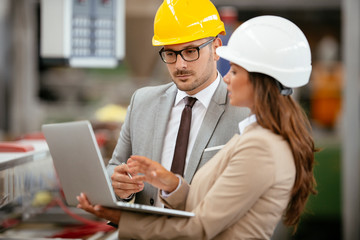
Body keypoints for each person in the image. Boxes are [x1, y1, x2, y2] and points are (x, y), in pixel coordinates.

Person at [78, 15, 317, 239]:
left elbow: (200, 226)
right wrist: (171, 184)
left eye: (234, 71)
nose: (227, 78)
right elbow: (208, 205)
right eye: (170, 53)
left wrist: (121, 219)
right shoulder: (255, 133)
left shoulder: (261, 145)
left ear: (259, 80)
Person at [107, 0, 248, 206]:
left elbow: (241, 199)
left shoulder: (243, 112)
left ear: (216, 48)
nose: (180, 65)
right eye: (171, 54)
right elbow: (114, 167)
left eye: (191, 51)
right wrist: (120, 186)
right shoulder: (142, 102)